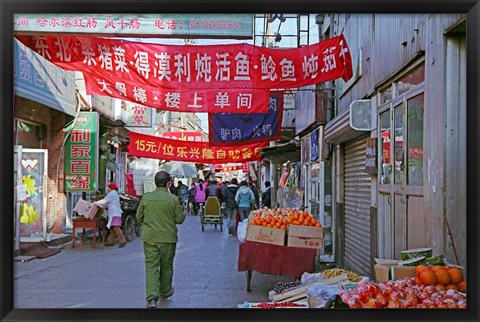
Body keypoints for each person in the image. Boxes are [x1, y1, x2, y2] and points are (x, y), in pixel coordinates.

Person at [136, 171, 185, 309]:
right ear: (169, 183)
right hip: (168, 238)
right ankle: (165, 291)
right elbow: (180, 219)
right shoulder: (173, 199)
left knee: (151, 267)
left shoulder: (146, 198)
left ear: (155, 182)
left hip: (150, 238)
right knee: (166, 265)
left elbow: (139, 217)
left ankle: (152, 298)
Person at [94, 182, 126, 248]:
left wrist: (96, 203)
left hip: (114, 213)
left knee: (116, 227)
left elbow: (105, 201)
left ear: (110, 188)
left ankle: (122, 241)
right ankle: (111, 241)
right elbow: (106, 203)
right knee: (112, 228)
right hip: (114, 213)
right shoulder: (114, 193)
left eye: (108, 187)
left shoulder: (112, 194)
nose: (108, 188)